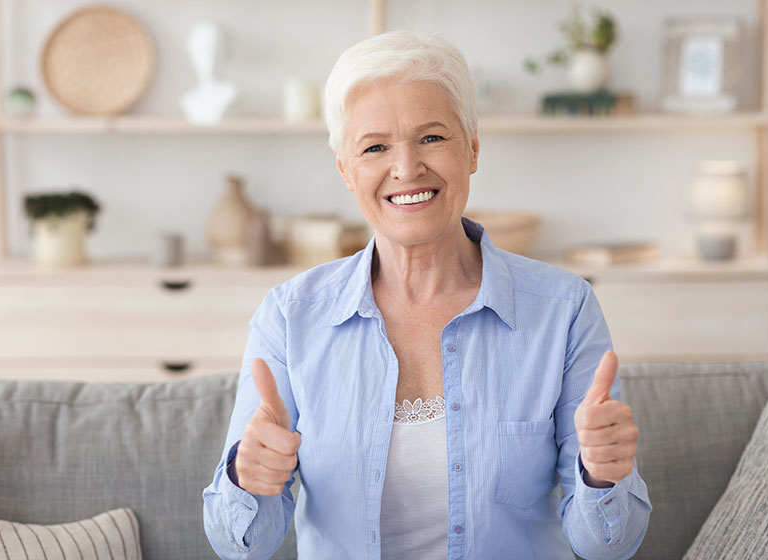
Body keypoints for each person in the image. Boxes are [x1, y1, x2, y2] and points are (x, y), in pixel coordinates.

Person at [203, 30, 651, 560]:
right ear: (345, 169)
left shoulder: (563, 310)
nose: (407, 168)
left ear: (473, 148)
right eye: (374, 147)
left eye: (432, 138)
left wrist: (602, 477)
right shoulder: (289, 315)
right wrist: (248, 476)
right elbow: (241, 547)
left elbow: (606, 548)